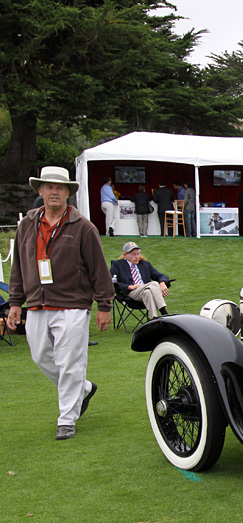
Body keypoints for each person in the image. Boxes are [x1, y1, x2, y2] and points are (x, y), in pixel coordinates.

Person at [5, 166, 114, 440]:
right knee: (40, 356)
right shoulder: (27, 225)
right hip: (37, 304)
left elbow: (99, 269)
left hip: (73, 305)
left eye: (60, 187)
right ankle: (84, 389)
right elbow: (18, 266)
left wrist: (104, 306)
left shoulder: (83, 227)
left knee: (70, 362)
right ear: (39, 191)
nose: (54, 192)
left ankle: (67, 419)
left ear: (68, 192)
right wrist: (15, 302)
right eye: (48, 187)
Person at [110, 242, 171, 318]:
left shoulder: (145, 264)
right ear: (125, 255)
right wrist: (130, 287)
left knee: (147, 292)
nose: (136, 257)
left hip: (145, 291)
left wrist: (162, 283)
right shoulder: (117, 265)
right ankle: (164, 312)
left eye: (138, 254)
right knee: (154, 283)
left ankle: (154, 319)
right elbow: (113, 282)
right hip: (130, 294)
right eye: (133, 254)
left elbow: (160, 275)